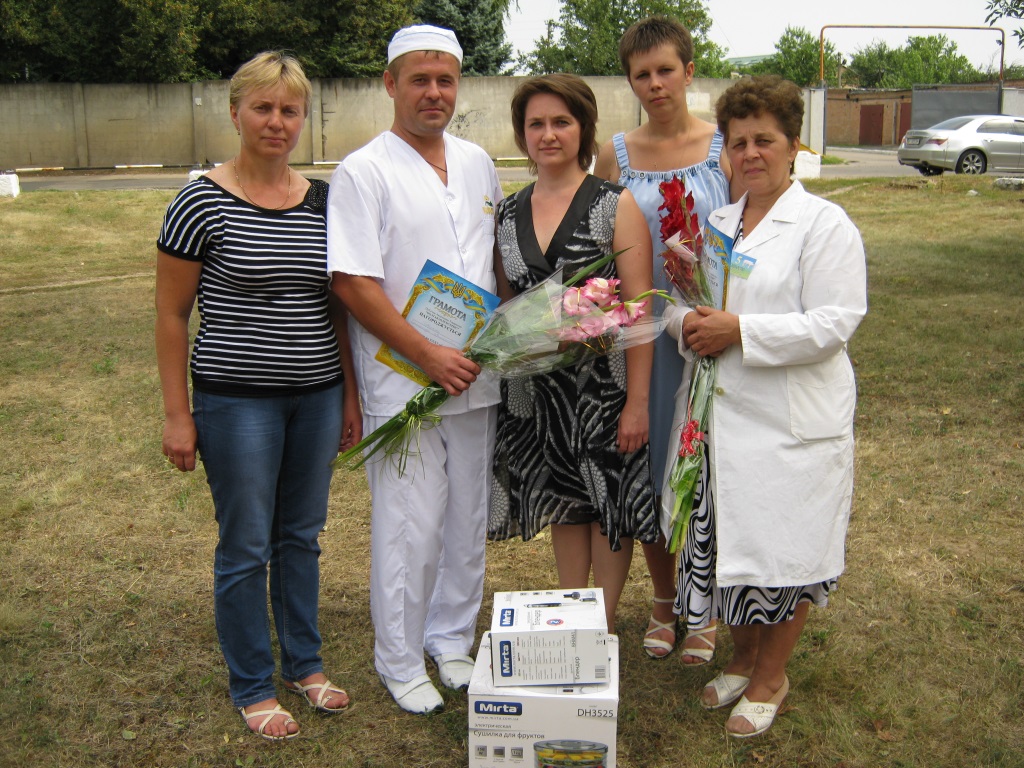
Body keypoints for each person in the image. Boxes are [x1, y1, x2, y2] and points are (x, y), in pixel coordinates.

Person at [155, 51, 359, 741]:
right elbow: (171, 315)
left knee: (301, 536)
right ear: (236, 112)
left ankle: (305, 664)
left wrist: (348, 397)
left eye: (289, 110)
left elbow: (338, 307)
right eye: (263, 107)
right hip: (236, 402)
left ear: (303, 119)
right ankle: (252, 684)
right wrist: (177, 414)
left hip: (317, 395)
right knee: (245, 543)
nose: (276, 121)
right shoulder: (199, 201)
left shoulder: (325, 201)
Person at [672, 74, 867, 737]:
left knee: (788, 551)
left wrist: (741, 332)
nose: (750, 153)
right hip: (725, 417)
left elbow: (835, 322)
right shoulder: (719, 224)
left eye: (765, 140)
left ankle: (771, 676)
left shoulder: (823, 224)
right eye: (738, 142)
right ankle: (742, 657)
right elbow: (693, 307)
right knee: (736, 547)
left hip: (791, 423)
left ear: (794, 145)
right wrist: (685, 319)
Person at [326, 25, 502, 715]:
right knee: (410, 523)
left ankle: (451, 638)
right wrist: (427, 353)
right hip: (404, 380)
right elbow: (353, 281)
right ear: (390, 83)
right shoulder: (363, 171)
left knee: (466, 516)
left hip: (474, 375)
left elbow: (490, 262)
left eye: (445, 80)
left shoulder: (478, 163)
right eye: (419, 79)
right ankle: (398, 658)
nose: (434, 92)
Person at [487, 73, 655, 634]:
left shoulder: (613, 204)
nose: (548, 134)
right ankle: (572, 615)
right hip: (537, 391)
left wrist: (636, 403)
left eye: (561, 121)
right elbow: (508, 307)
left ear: (583, 128)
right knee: (564, 500)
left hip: (602, 389)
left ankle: (599, 628)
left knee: (608, 504)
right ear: (522, 135)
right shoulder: (507, 213)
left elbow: (640, 312)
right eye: (536, 123)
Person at [593, 15, 732, 664]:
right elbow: (597, 242)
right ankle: (664, 597)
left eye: (665, 70)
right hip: (644, 338)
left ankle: (707, 604)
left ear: (689, 70)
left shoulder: (724, 147)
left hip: (710, 331)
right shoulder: (615, 155)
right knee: (651, 467)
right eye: (641, 74)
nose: (655, 84)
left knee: (706, 469)